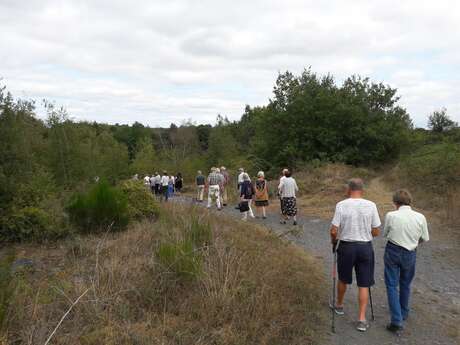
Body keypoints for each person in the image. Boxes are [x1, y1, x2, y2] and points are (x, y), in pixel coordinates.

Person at [329, 178, 381, 332]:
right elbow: (377, 230)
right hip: (365, 248)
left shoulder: (341, 205)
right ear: (362, 190)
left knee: (344, 278)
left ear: (348, 189)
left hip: (346, 247)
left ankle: (339, 305)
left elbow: (333, 230)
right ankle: (361, 319)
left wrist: (334, 242)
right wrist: (366, 232)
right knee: (364, 283)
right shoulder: (371, 205)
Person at [383, 190, 429, 334]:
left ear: (395, 202)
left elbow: (385, 234)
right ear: (410, 201)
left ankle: (396, 320)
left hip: (393, 249)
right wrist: (413, 242)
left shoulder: (391, 215)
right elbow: (424, 238)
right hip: (410, 251)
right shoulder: (420, 217)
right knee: (405, 283)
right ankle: (403, 312)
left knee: (391, 284)